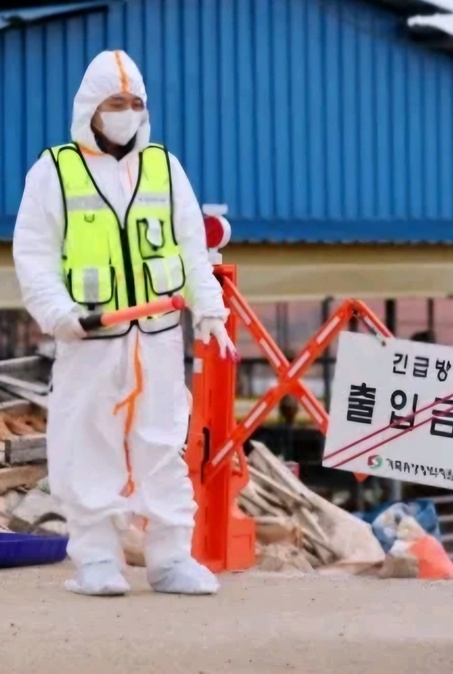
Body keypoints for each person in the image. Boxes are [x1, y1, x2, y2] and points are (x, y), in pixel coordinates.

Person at [12, 50, 237, 596]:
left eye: (136, 103)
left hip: (157, 338)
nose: (127, 112)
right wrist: (58, 314)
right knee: (89, 446)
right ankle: (95, 560)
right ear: (91, 107)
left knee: (162, 445)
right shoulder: (54, 170)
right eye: (116, 103)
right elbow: (34, 253)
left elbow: (191, 248)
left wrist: (209, 310)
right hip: (90, 338)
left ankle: (170, 558)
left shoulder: (164, 166)